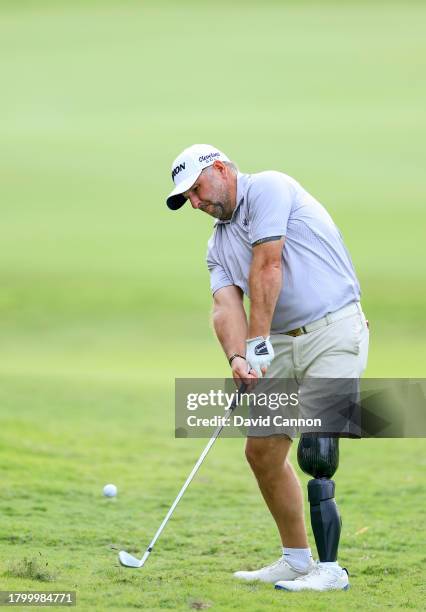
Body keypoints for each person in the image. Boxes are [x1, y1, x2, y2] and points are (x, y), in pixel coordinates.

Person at [166, 144, 369, 592]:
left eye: (197, 190)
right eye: (188, 200)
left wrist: (256, 343)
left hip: (333, 331)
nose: (196, 204)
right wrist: (238, 356)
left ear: (221, 169)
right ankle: (297, 560)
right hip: (277, 344)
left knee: (316, 448)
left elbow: (268, 264)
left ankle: (331, 572)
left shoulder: (270, 188)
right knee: (261, 451)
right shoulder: (217, 244)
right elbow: (224, 306)